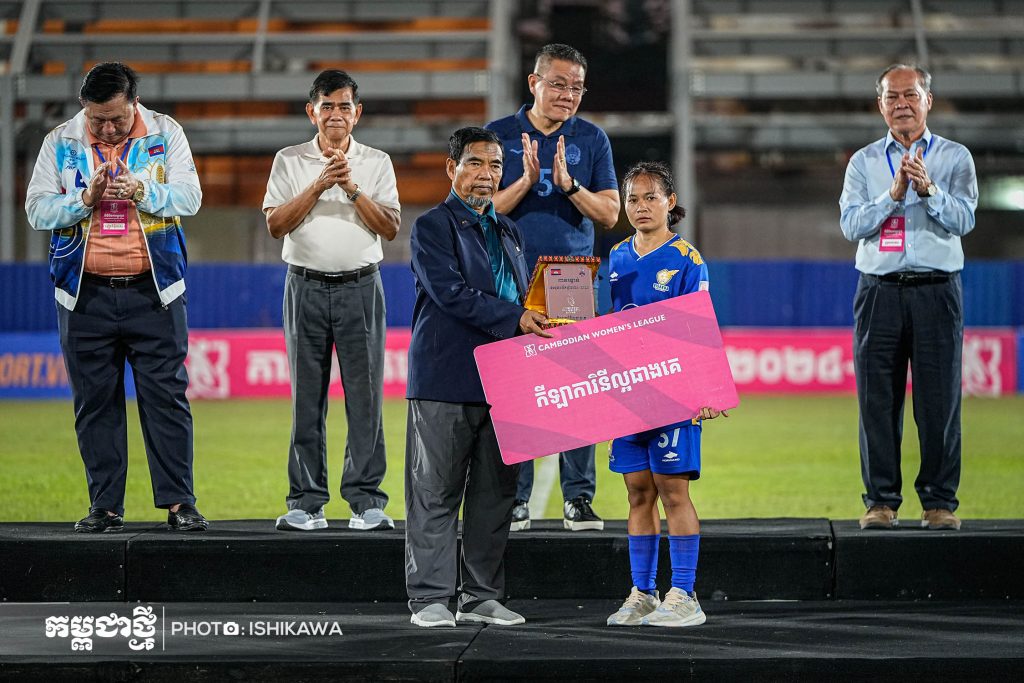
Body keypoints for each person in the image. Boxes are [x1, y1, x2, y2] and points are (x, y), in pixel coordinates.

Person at [25, 62, 207, 532]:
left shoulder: (166, 135)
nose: (106, 129)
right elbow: (36, 208)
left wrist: (143, 190)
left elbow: (190, 197)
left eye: (116, 119)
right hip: (84, 295)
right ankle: (105, 507)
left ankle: (179, 504)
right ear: (84, 109)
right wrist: (84, 200)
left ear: (134, 105)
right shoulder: (60, 142)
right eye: (97, 119)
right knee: (95, 402)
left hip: (156, 292)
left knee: (166, 399)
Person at [404, 127, 551, 628]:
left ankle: (480, 596)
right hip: (447, 377)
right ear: (452, 169)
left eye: (494, 166)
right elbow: (450, 293)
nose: (485, 175)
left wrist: (549, 317)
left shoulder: (510, 231)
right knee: (435, 492)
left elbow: (522, 300)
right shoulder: (431, 227)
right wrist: (517, 319)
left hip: (506, 380)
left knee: (495, 495)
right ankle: (429, 599)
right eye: (475, 164)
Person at [485, 43, 619, 532]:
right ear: (533, 82)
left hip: (571, 276)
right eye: (559, 84)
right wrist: (525, 182)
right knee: (519, 392)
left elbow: (609, 213)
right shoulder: (498, 135)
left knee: (578, 391)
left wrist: (568, 186)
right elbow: (480, 209)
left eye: (577, 87)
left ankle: (578, 499)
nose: (568, 95)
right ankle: (515, 498)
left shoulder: (592, 138)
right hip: (511, 277)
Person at [840, 64, 977, 531]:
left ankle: (940, 503)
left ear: (928, 101)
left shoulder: (956, 158)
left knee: (939, 403)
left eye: (911, 95)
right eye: (892, 96)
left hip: (938, 291)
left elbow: (965, 221)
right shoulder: (862, 163)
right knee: (877, 402)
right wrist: (893, 194)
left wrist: (929, 189)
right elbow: (851, 226)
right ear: (880, 105)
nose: (902, 104)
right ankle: (881, 501)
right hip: (878, 292)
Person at [263, 70, 400, 532]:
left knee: (365, 399)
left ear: (357, 113)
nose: (336, 114)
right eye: (328, 105)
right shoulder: (289, 159)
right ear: (312, 111)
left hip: (361, 285)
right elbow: (276, 225)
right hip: (303, 285)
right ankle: (306, 502)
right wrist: (320, 184)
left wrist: (351, 187)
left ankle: (366, 501)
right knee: (306, 399)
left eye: (345, 106)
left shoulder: (376, 162)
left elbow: (389, 227)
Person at [604, 162, 726, 627]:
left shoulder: (688, 260)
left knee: (672, 492)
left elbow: (701, 328)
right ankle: (642, 593)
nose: (640, 207)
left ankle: (686, 594)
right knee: (637, 493)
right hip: (627, 394)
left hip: (673, 393)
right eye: (632, 198)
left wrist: (707, 388)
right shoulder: (615, 256)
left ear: (670, 202)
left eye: (650, 197)